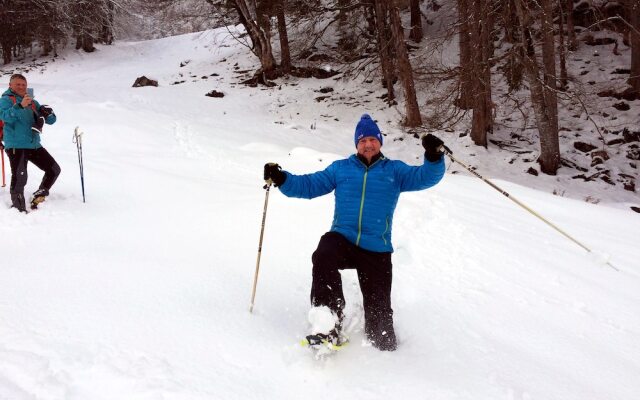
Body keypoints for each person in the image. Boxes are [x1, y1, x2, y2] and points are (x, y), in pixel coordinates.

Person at [263, 114, 446, 351]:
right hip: (343, 240)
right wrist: (281, 178)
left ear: (380, 142)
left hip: (376, 248)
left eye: (372, 139)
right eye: (362, 140)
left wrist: (433, 156)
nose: (368, 144)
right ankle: (326, 323)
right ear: (356, 144)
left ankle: (387, 356)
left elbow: (426, 177)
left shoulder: (395, 171)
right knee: (324, 252)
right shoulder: (341, 169)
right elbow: (309, 186)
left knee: (381, 332)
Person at [0, 73, 58, 212]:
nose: (21, 87)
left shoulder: (32, 101)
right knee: (20, 177)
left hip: (33, 144)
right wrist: (19, 106)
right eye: (18, 84)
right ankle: (18, 208)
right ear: (10, 85)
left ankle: (40, 194)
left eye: (23, 84)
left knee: (54, 170)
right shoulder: (6, 100)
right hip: (16, 145)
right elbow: (4, 116)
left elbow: (51, 121)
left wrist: (49, 114)